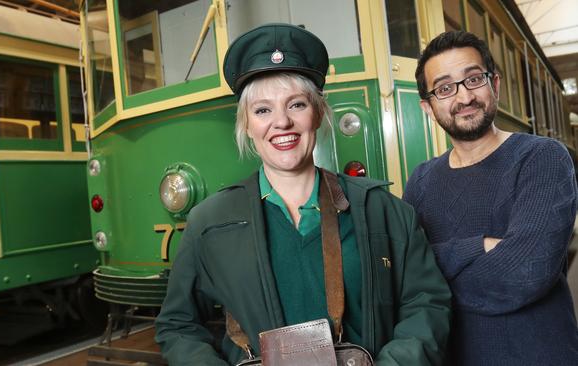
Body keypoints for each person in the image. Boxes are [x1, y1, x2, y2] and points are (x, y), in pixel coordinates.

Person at [155, 23, 451, 365]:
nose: (281, 122)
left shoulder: (383, 211)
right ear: (247, 126)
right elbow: (177, 325)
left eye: (296, 105)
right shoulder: (210, 222)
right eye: (262, 110)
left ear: (319, 113)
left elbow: (427, 303)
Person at [404, 30, 578, 365]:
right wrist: (481, 246)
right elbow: (408, 279)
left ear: (494, 84)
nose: (464, 97)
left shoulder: (542, 158)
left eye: (473, 79)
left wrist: (437, 265)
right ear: (428, 107)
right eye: (444, 88)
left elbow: (526, 271)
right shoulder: (421, 181)